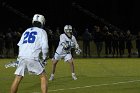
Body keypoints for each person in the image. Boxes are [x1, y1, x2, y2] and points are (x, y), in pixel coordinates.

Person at [10, 14, 49, 93]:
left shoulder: (26, 31)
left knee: (17, 78)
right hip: (33, 56)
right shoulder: (42, 31)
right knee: (43, 77)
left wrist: (18, 58)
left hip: (22, 57)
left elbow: (20, 45)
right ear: (42, 22)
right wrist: (45, 57)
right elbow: (45, 47)